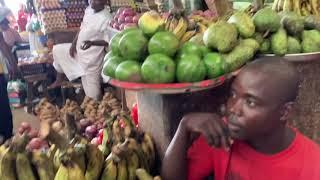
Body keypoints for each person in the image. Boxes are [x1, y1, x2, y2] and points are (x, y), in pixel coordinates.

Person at [161, 58, 320, 180]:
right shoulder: (222, 137)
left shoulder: (313, 166)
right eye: (233, 95)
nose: (233, 109)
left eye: (250, 102)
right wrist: (184, 125)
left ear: (284, 112)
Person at [50, 0, 111, 100]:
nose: (92, 3)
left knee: (93, 95)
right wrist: (73, 44)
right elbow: (82, 27)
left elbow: (107, 41)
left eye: (96, 1)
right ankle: (59, 79)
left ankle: (97, 103)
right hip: (79, 51)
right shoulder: (89, 10)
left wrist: (92, 43)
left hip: (92, 59)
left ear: (104, 2)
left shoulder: (106, 18)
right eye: (92, 0)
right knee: (58, 50)